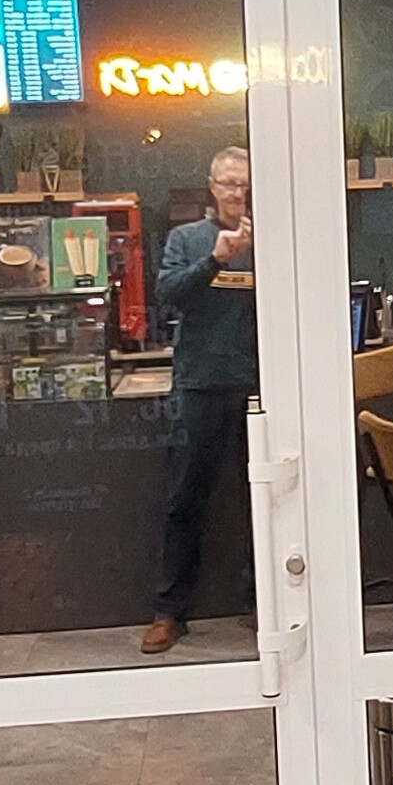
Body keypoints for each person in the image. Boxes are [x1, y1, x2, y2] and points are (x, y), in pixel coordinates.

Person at [142, 145, 257, 655]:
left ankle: (266, 602)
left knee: (266, 502)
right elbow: (169, 293)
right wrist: (215, 260)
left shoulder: (275, 239)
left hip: (260, 387)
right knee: (184, 500)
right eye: (229, 183)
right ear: (212, 187)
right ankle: (169, 612)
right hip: (199, 385)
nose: (238, 192)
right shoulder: (187, 240)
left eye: (245, 184)